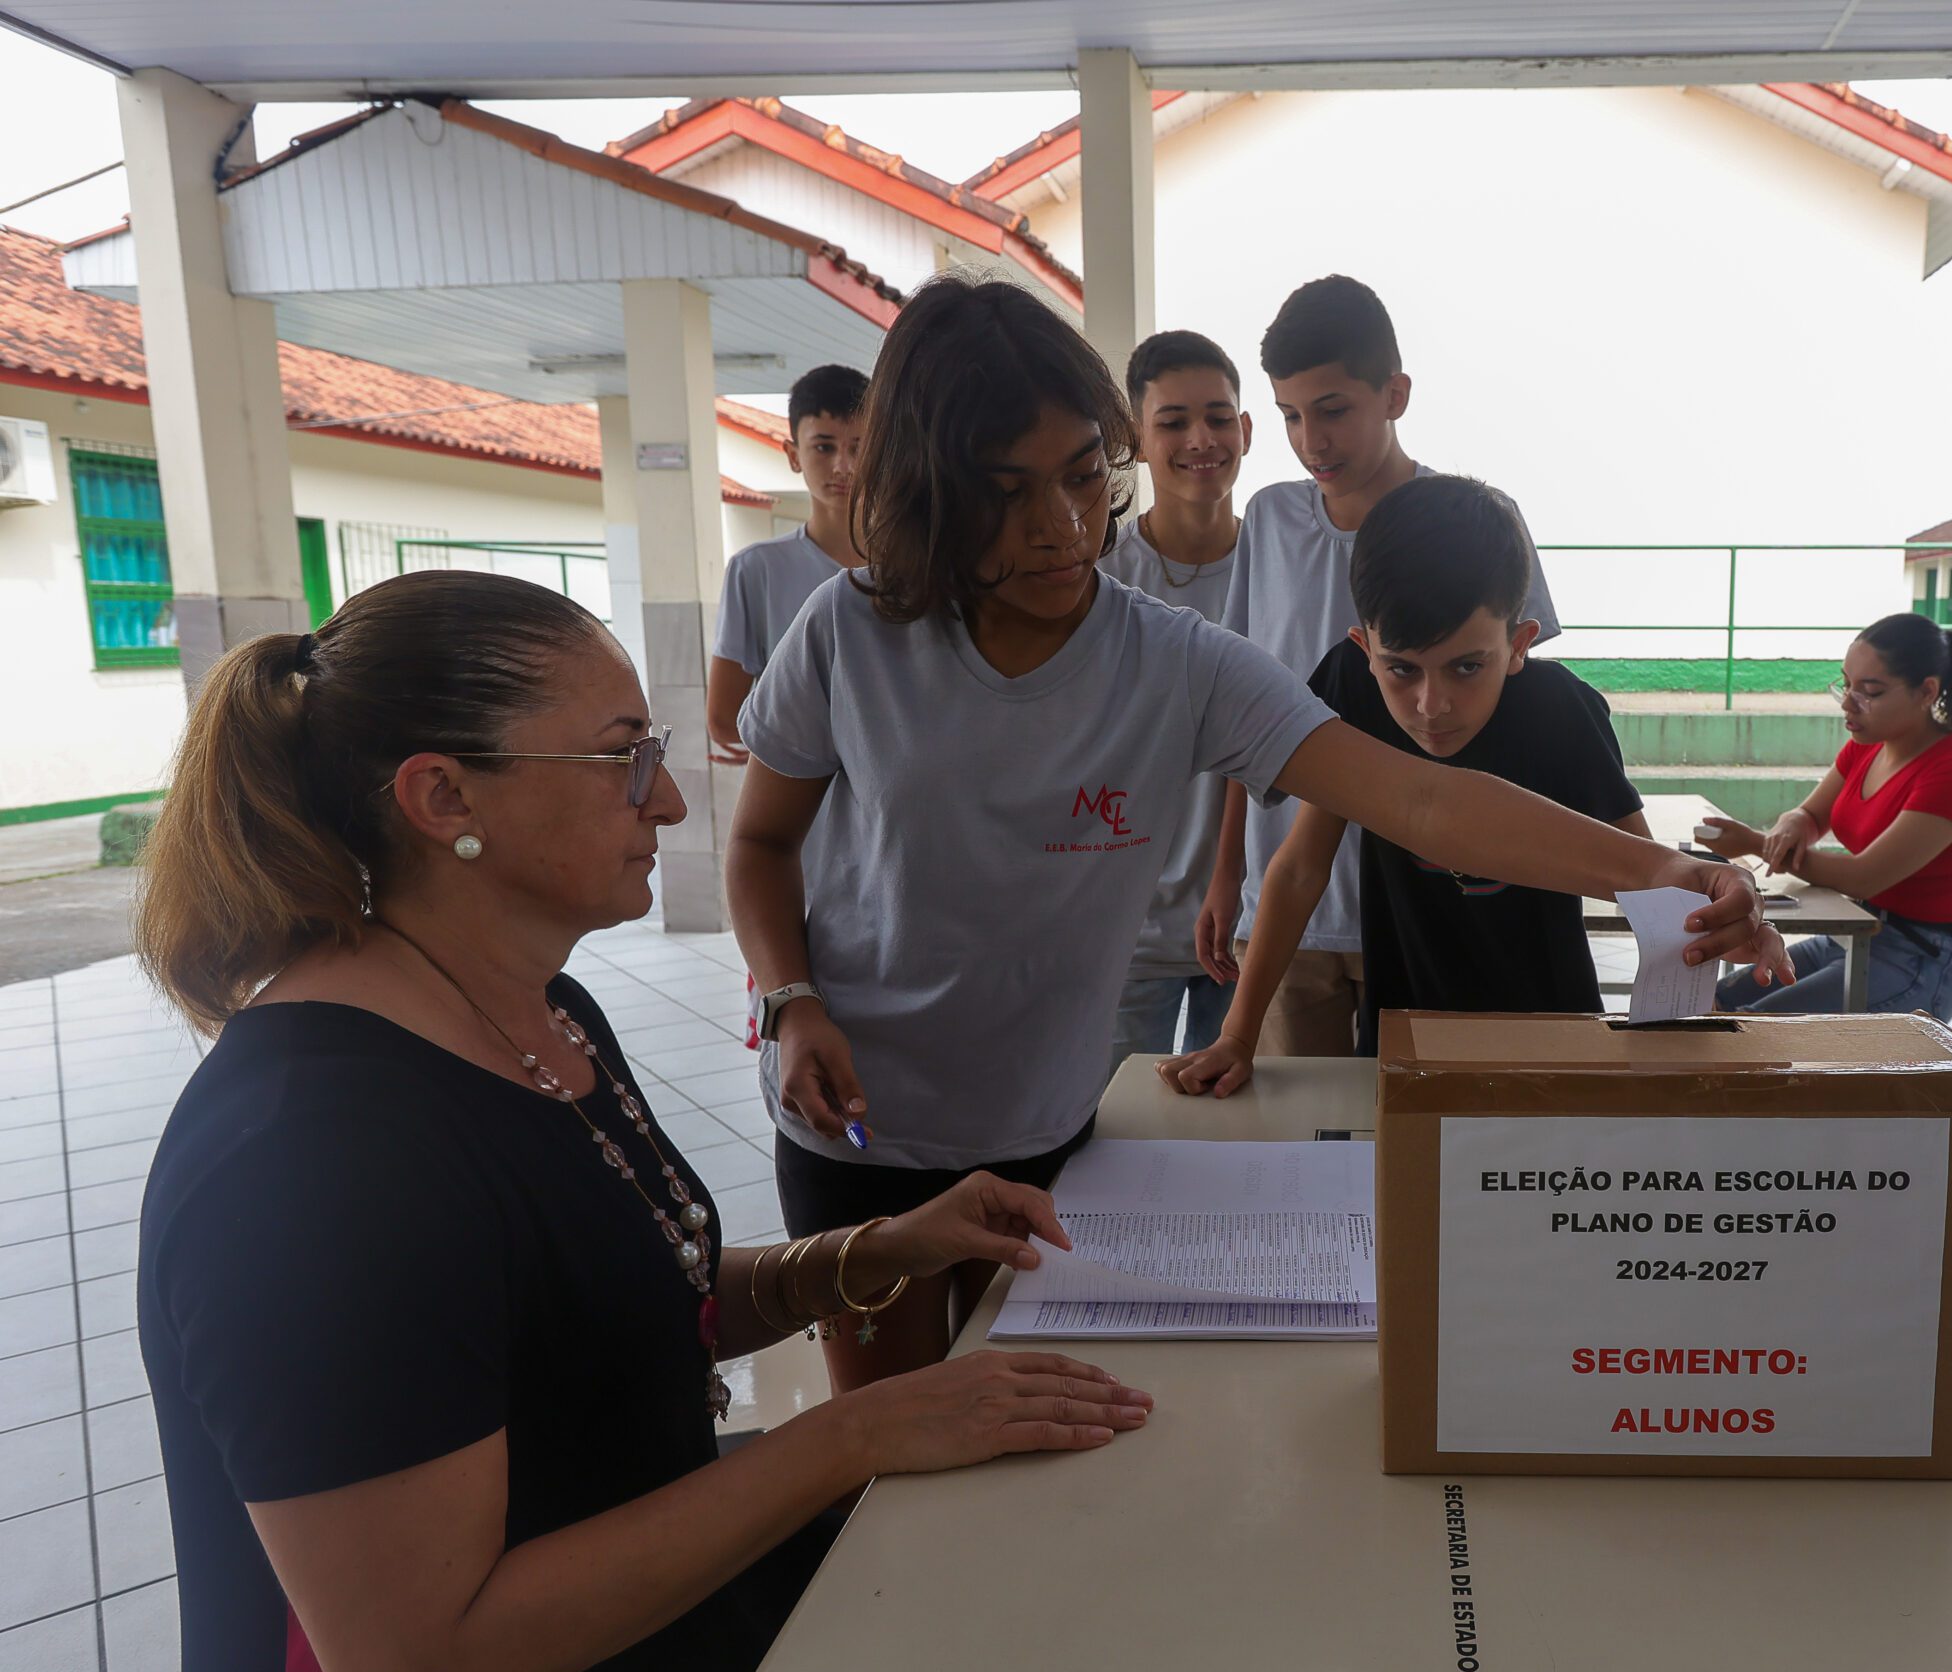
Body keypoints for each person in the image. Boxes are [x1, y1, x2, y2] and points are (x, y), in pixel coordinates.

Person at [724, 277, 1777, 1399]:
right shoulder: (849, 630)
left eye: (1084, 476)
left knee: (1028, 1447)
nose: (1060, 528)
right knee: (884, 1439)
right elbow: (760, 848)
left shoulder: (1170, 658)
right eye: (1004, 494)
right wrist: (791, 1002)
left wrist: (1663, 868)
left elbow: (1419, 799)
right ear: (930, 491)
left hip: (1052, 1127)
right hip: (859, 1127)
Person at [132, 571, 1152, 1672]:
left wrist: (874, 1251)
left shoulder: (540, 1012)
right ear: (443, 798)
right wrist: (851, 1434)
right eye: (621, 756)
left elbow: (606, 1304)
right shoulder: (310, 1164)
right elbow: (420, 1662)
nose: (666, 800)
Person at [1163, 475, 1791, 1096]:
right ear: (1364, 645)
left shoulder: (1563, 711)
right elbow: (1299, 868)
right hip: (1405, 1037)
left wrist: (1721, 915)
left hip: (1553, 1036)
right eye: (1401, 670)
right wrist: (1238, 1036)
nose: (1431, 704)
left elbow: (1650, 880)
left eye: (1467, 666)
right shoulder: (1351, 688)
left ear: (1520, 643)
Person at [1209, 275, 1564, 1058]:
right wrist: (1226, 868)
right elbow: (1245, 716)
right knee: (1295, 1140)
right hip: (1290, 902)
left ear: (1395, 393)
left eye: (1333, 410)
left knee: (1413, 1143)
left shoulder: (1478, 523)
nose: (1312, 441)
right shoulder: (1267, 521)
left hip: (1425, 900)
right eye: (1290, 417)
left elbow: (1523, 711)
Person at [1697, 612, 1952, 1021]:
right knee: (1709, 1001)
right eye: (1846, 683)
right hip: (1854, 932)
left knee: (1747, 1027)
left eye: (1869, 691)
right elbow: (1812, 814)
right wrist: (1793, 821)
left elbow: (1865, 877)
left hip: (1920, 956)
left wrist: (1755, 843)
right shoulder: (1867, 746)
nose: (1847, 702)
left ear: (1927, 691)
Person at [1100, 329, 1253, 1073]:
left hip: (1251, 925)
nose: (1201, 439)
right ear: (1135, 439)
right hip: (1126, 929)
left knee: (1234, 1146)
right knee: (1117, 1144)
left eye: (1219, 417)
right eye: (1174, 421)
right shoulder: (1099, 576)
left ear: (1246, 430)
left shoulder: (1275, 568)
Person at [708, 363, 868, 767]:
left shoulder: (919, 564)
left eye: (859, 447)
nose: (843, 467)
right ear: (793, 455)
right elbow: (725, 720)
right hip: (804, 818)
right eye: (824, 447)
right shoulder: (756, 569)